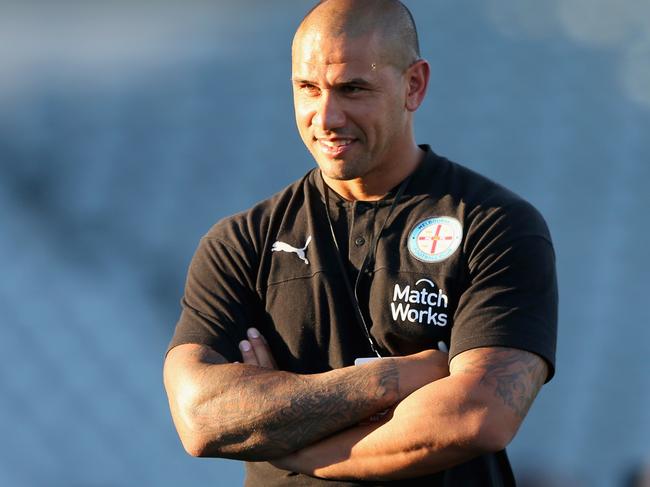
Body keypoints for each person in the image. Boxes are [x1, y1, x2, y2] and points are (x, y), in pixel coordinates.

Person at [163, 0, 558, 485]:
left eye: (352, 89)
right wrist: (392, 380)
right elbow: (200, 417)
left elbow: (476, 417)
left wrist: (290, 443)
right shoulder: (241, 242)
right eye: (307, 88)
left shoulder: (494, 225)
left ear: (413, 85)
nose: (326, 116)